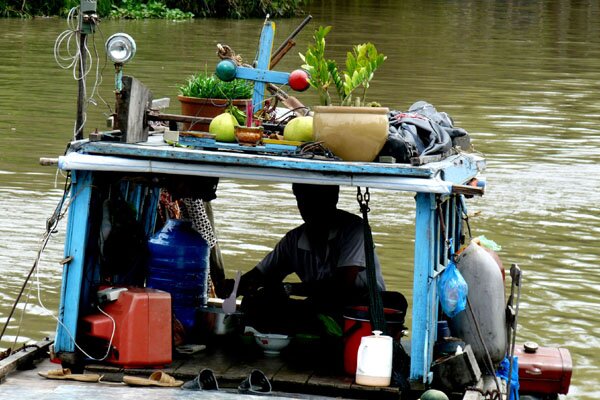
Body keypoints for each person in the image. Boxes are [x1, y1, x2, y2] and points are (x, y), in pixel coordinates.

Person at [222, 183, 386, 335]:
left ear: (333, 199)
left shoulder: (355, 230)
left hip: (357, 309)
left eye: (317, 200)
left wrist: (288, 289)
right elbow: (260, 275)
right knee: (255, 303)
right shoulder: (294, 240)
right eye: (303, 200)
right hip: (316, 307)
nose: (309, 207)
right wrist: (235, 288)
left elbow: (341, 286)